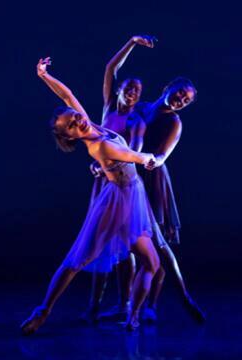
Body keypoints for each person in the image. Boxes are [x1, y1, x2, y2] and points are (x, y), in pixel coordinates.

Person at [20, 57, 162, 335]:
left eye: (75, 117)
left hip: (133, 196)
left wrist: (43, 76)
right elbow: (130, 156)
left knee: (152, 263)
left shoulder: (91, 125)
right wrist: (149, 158)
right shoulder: (98, 147)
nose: (77, 121)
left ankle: (132, 317)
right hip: (118, 201)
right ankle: (43, 310)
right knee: (80, 258)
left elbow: (67, 95)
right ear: (71, 137)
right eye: (71, 126)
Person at [82, 35, 157, 323]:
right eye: (129, 88)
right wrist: (132, 42)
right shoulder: (108, 109)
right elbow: (110, 68)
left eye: (138, 90)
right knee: (99, 240)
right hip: (103, 184)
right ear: (120, 90)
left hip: (123, 184)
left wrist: (104, 166)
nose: (133, 93)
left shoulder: (135, 121)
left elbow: (134, 152)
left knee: (128, 243)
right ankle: (94, 305)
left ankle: (126, 302)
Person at [138, 77, 206, 323]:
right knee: (135, 245)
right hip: (130, 176)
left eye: (186, 101)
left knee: (159, 242)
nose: (181, 101)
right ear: (167, 87)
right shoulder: (142, 107)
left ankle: (153, 305)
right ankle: (130, 303)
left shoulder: (174, 121)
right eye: (179, 94)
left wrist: (136, 158)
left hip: (153, 179)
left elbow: (161, 156)